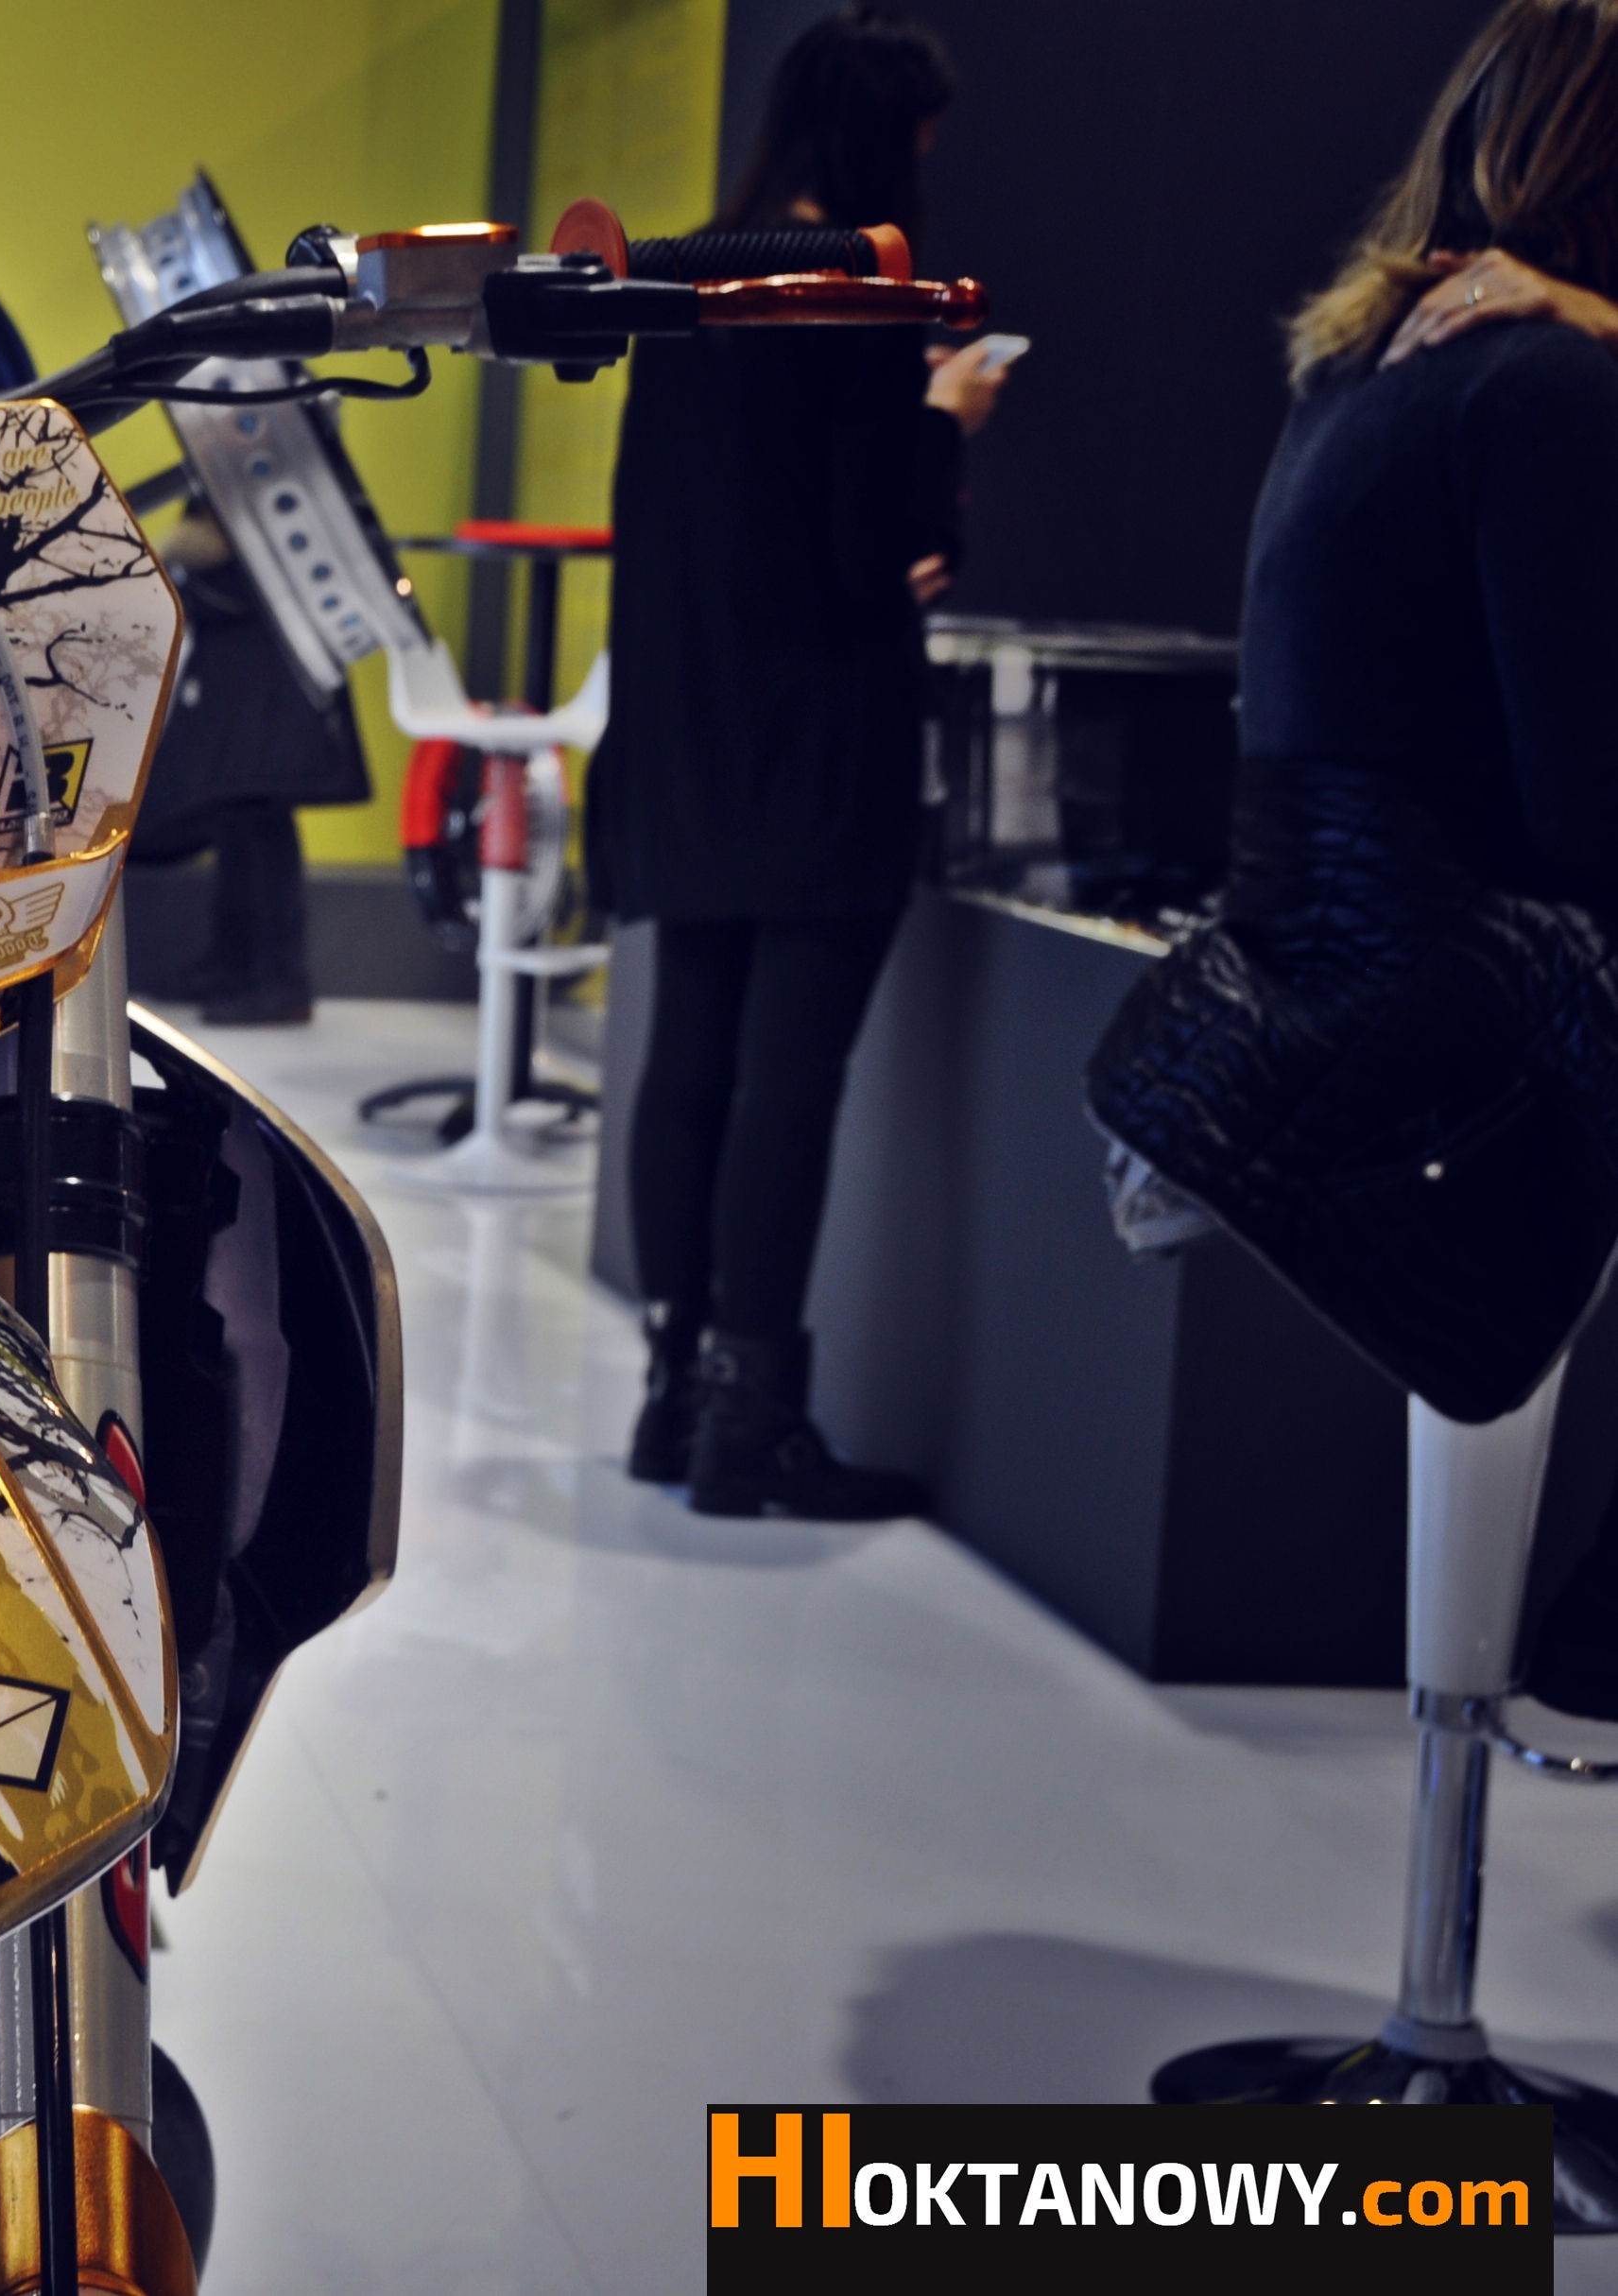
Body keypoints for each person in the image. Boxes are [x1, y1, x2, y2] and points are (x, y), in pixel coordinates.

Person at [1085, 0, 1618, 1707]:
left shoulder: (1359, 370)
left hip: (1302, 968)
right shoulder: (1545, 387)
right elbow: (1581, 811)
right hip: (1436, 1001)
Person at [589, 1, 1004, 1518]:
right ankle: (750, 1421)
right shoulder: (861, 295)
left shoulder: (689, 281)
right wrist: (941, 421)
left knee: (687, 1060)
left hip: (683, 730)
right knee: (787, 1082)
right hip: (817, 740)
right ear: (887, 134)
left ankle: (669, 1397)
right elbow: (859, 548)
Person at [132, 512, 356, 1026]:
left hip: (267, 653)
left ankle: (279, 980)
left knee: (259, 810)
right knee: (234, 809)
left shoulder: (279, 475)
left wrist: (199, 544)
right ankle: (234, 966)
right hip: (242, 650)